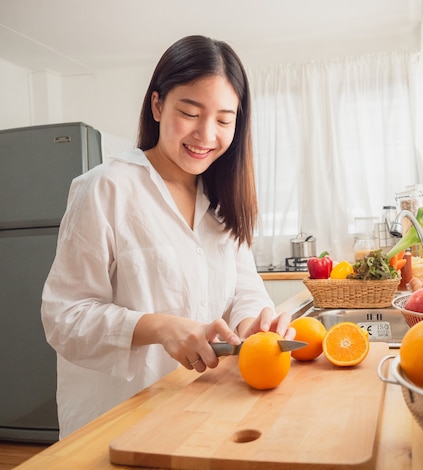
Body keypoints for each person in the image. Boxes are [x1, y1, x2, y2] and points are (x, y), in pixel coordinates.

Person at [41, 35, 294, 439]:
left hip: (200, 413)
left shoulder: (223, 200)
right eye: (190, 112)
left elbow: (243, 287)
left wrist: (254, 323)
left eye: (224, 120)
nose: (206, 134)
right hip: (117, 421)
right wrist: (159, 327)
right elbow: (64, 318)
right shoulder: (106, 188)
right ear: (158, 105)